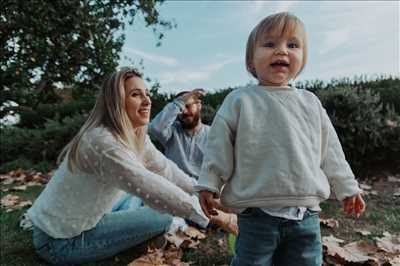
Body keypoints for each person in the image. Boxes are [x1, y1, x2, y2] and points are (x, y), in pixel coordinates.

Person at [196, 12, 366, 266]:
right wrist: (210, 181)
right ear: (251, 61)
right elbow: (219, 145)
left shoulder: (310, 102)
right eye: (270, 44)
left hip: (305, 216)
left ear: (302, 59)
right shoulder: (240, 100)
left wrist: (347, 187)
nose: (282, 51)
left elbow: (331, 150)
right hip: (256, 216)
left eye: (293, 45)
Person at [27, 68, 236, 265]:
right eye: (136, 94)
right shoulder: (102, 142)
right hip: (60, 241)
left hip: (93, 216)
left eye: (147, 93)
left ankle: (140, 234)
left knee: (142, 197)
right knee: (162, 215)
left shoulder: (133, 135)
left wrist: (209, 195)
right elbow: (148, 185)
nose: (147, 101)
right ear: (115, 102)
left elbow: (166, 170)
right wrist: (221, 219)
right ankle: (146, 236)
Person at [148, 88, 209, 179]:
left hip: (203, 189)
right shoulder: (171, 132)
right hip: (174, 188)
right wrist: (180, 102)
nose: (184, 112)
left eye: (187, 106)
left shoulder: (213, 134)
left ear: (199, 105)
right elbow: (155, 128)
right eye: (180, 109)